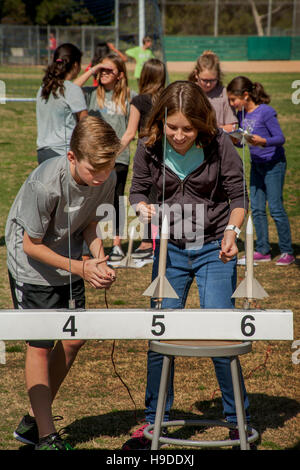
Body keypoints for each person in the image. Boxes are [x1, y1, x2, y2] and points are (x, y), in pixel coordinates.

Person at [122, 81, 252, 450]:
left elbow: (238, 196)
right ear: (161, 121)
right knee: (160, 336)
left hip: (214, 247)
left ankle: (236, 420)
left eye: (188, 128)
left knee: (219, 333)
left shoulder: (220, 145)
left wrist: (231, 230)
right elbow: (136, 190)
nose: (179, 135)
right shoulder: (150, 148)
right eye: (172, 127)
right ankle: (153, 422)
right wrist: (140, 207)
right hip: (169, 252)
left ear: (201, 125)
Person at [6, 115, 120, 450]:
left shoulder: (106, 176)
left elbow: (89, 223)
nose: (100, 179)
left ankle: (32, 419)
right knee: (40, 346)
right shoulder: (46, 183)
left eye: (107, 170)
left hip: (70, 262)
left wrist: (97, 259)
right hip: (31, 266)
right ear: (72, 157)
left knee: (73, 339)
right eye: (92, 172)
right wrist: (82, 268)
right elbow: (31, 244)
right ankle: (45, 437)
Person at [74, 53, 137, 261]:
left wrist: (113, 153)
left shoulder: (129, 95)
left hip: (118, 157)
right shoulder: (91, 93)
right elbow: (71, 88)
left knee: (116, 200)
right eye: (102, 69)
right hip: (93, 158)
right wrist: (93, 69)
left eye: (109, 70)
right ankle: (89, 244)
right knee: (91, 200)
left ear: (120, 74)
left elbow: (130, 131)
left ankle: (117, 244)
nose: (104, 73)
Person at [227, 76, 295, 266]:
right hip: (257, 165)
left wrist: (262, 141)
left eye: (234, 99)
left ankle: (287, 251)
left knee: (275, 208)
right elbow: (244, 143)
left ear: (246, 95)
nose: (232, 104)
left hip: (274, 165)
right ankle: (263, 250)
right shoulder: (241, 115)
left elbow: (280, 138)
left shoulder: (265, 112)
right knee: (256, 208)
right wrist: (236, 140)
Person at [120, 58, 166, 259]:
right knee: (161, 194)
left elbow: (130, 132)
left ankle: (148, 242)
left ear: (144, 76)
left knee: (145, 195)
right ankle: (160, 239)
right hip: (168, 149)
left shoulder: (139, 100)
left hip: (146, 150)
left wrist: (112, 152)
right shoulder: (166, 98)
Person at [36, 43, 87, 165]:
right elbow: (86, 122)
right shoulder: (72, 89)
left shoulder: (44, 87)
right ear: (75, 65)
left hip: (43, 152)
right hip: (62, 153)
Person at [188, 50, 237, 132]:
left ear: (218, 75)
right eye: (204, 80)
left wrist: (211, 130)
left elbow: (231, 127)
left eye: (212, 80)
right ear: (196, 74)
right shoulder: (189, 91)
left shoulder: (224, 94)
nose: (208, 84)